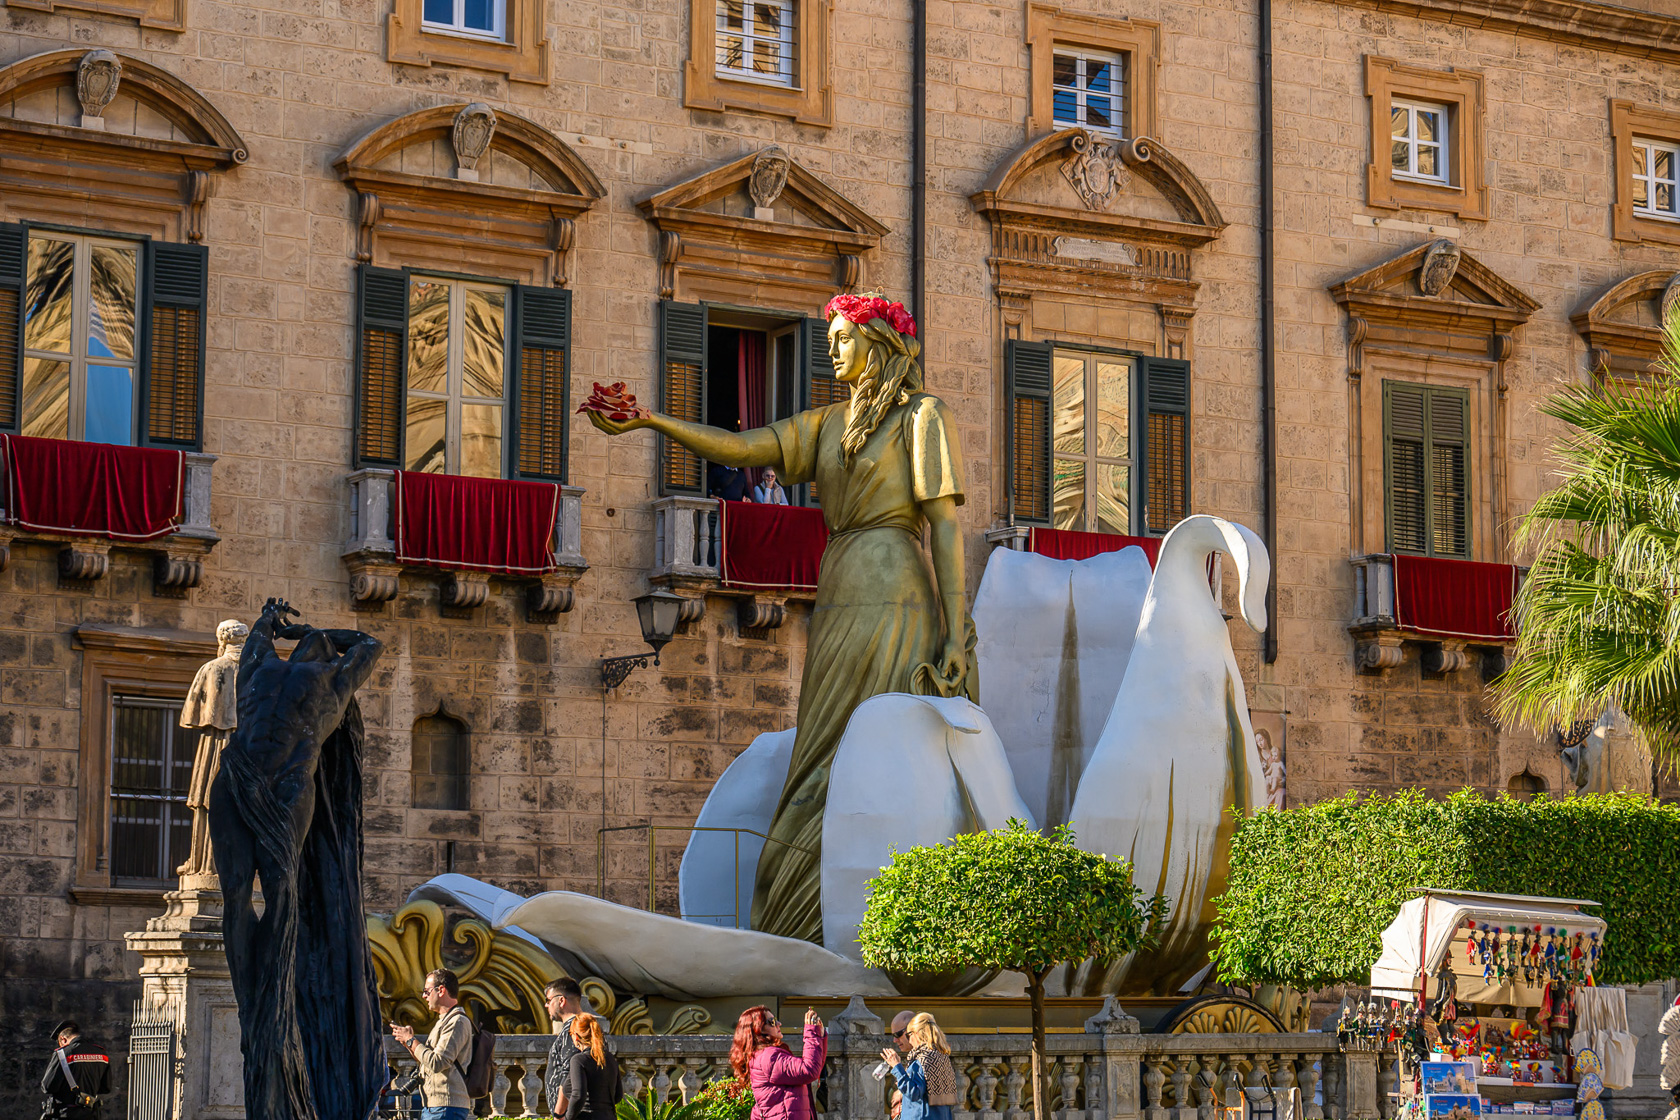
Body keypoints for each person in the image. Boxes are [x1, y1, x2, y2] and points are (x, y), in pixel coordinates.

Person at [588, 293, 972, 943]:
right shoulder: (826, 424)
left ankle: (878, 894)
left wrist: (954, 631)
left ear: (878, 343)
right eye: (831, 338)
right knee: (823, 737)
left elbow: (946, 527)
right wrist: (651, 421)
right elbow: (741, 448)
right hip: (841, 578)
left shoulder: (923, 416)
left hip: (897, 584)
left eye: (844, 337)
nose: (832, 349)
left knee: (878, 731)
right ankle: (802, 904)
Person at [210, 598, 386, 1120]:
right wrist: (314, 630)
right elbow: (368, 643)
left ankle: (259, 987)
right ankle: (260, 986)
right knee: (269, 894)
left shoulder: (268, 667)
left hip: (247, 775)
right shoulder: (329, 679)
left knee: (251, 896)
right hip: (275, 782)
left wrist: (285, 626)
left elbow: (262, 630)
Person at [391, 968, 475, 1120]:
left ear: (441, 990)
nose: (424, 996)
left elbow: (438, 1063)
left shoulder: (457, 1021)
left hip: (446, 1107)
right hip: (436, 1107)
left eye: (427, 991)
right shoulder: (444, 1021)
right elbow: (428, 1062)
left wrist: (411, 1040)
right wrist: (408, 1042)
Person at [731, 1006, 826, 1120]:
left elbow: (815, 1068)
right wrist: (812, 1033)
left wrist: (819, 1037)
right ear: (758, 1028)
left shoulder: (765, 1055)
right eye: (772, 1022)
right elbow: (809, 1070)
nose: (779, 1024)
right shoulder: (769, 1057)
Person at [881, 1012, 958, 1120]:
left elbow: (914, 1093)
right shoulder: (940, 1057)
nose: (909, 1039)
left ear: (918, 1033)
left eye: (909, 1034)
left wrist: (896, 1066)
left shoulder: (922, 1060)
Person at [40, 1021, 110, 1120]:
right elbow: (106, 1088)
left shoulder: (62, 1054)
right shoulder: (102, 1053)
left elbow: (48, 1087)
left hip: (67, 1113)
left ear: (63, 1039)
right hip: (91, 1113)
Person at [562, 1013, 621, 1120]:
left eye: (570, 1034)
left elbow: (578, 1096)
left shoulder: (578, 1060)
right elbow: (618, 1095)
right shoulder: (610, 1058)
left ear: (576, 1036)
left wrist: (567, 1118)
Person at [544, 978, 587, 1116]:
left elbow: (570, 1075)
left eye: (548, 1000)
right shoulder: (586, 1027)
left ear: (561, 1000)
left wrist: (559, 1114)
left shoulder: (573, 1030)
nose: (546, 1005)